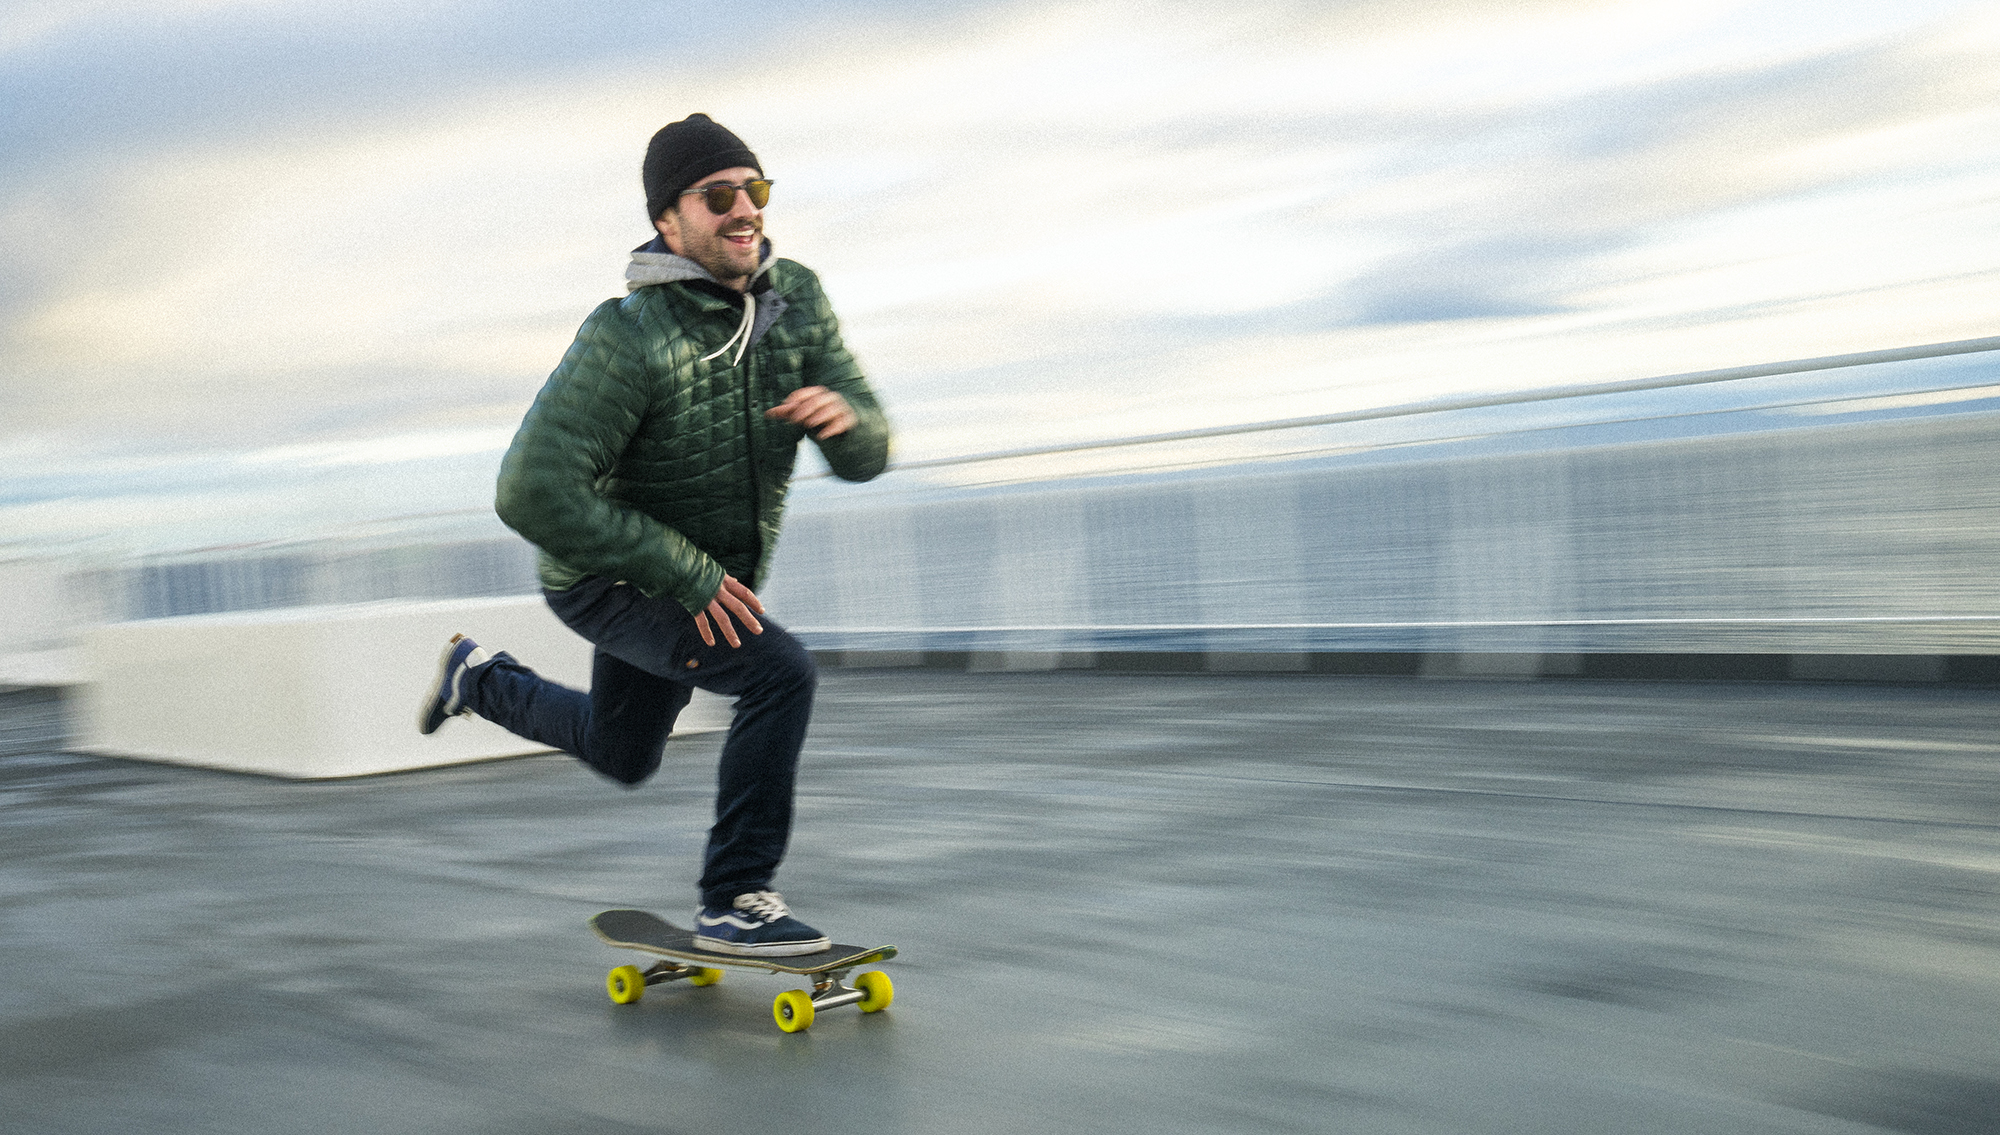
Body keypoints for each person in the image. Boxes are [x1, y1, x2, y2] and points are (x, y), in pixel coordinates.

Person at [417, 113, 891, 956]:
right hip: (609, 579)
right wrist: (689, 575)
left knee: (623, 750)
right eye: (719, 195)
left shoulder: (797, 302)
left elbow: (868, 454)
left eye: (757, 189)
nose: (745, 209)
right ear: (669, 220)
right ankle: (735, 896)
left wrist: (847, 422)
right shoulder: (627, 337)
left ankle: (478, 679)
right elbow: (529, 490)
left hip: (700, 581)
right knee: (780, 674)